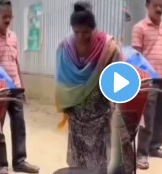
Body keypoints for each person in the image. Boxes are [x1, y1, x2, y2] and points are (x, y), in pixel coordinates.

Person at [55, 1, 122, 173]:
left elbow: (117, 76)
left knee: (98, 160)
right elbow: (62, 80)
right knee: (79, 158)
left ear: (94, 29)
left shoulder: (108, 48)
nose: (81, 36)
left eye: (86, 32)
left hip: (99, 112)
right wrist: (68, 104)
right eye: (77, 32)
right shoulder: (65, 48)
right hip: (77, 113)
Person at [0, 0, 39, 173]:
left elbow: (16, 63)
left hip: (16, 89)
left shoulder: (13, 36)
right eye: (4, 16)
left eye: (10, 16)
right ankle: (2, 165)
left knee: (19, 125)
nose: (8, 20)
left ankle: (20, 161)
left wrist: (22, 86)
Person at [131, 0, 162, 170]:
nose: (159, 9)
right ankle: (142, 153)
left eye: (161, 6)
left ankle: (155, 147)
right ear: (147, 6)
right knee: (147, 117)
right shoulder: (139, 28)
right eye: (155, 5)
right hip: (148, 79)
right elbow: (136, 56)